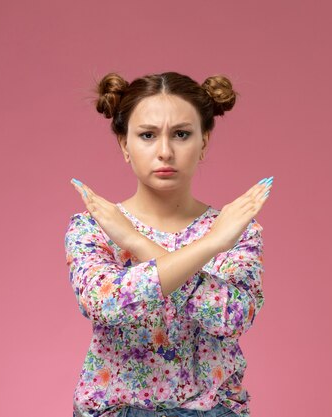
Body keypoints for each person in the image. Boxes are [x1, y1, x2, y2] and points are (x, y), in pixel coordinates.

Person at [64, 71, 272, 417]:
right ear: (124, 144)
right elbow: (106, 305)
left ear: (204, 141)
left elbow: (231, 318)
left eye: (181, 134)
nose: (164, 151)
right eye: (147, 135)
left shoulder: (236, 230)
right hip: (117, 410)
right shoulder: (94, 227)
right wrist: (208, 247)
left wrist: (136, 242)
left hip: (213, 410)